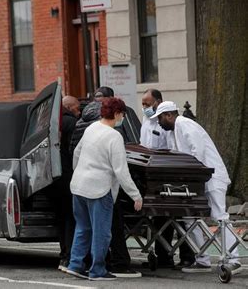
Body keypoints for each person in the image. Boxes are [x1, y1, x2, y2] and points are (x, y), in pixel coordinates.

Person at [151, 101, 241, 273]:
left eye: (160, 118)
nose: (159, 122)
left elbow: (196, 152)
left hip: (211, 177)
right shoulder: (173, 131)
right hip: (195, 179)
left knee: (219, 216)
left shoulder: (186, 125)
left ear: (169, 115)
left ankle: (234, 258)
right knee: (189, 217)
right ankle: (202, 258)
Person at [66, 97, 143, 281]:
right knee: (102, 231)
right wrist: (136, 195)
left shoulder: (91, 128)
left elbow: (77, 153)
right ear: (117, 114)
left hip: (78, 186)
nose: (122, 118)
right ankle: (97, 270)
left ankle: (75, 264)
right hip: (99, 189)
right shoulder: (115, 136)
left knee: (83, 228)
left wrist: (80, 172)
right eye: (122, 114)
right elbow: (121, 171)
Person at [139, 90, 195, 269]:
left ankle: (187, 255)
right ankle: (164, 255)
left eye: (148, 104)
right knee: (160, 218)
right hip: (152, 173)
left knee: (179, 216)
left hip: (168, 170)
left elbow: (172, 147)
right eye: (143, 104)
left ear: (159, 102)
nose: (145, 108)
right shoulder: (146, 123)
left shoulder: (166, 124)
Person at [56, 96, 80, 271]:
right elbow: (75, 151)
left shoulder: (53, 121)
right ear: (70, 107)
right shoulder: (72, 123)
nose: (79, 112)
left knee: (61, 218)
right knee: (72, 218)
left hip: (54, 177)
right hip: (68, 176)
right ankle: (71, 255)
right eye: (78, 109)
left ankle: (64, 254)